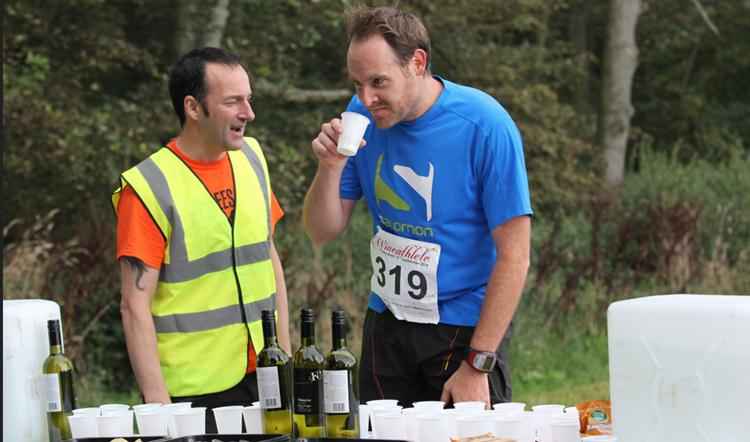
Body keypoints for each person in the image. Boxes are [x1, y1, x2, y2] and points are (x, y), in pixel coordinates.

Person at [303, 6, 532, 408]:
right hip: (387, 322)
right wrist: (330, 168)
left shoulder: (485, 125)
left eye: (378, 82)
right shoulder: (361, 116)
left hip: (461, 328)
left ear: (418, 63)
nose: (366, 98)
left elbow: (515, 256)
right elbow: (322, 231)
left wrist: (478, 364)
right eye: (357, 84)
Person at [113, 47, 290, 432]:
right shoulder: (148, 187)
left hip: (266, 372)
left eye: (249, 99)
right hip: (194, 394)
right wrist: (159, 411)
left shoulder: (252, 159)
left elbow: (268, 255)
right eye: (233, 102)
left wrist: (287, 355)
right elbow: (134, 306)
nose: (249, 113)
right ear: (193, 108)